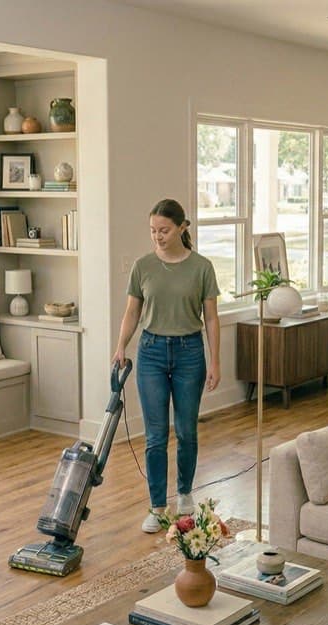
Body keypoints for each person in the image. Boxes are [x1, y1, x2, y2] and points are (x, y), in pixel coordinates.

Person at [113, 199, 221, 533]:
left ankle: (185, 494)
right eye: (153, 231)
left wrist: (215, 360)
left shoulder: (201, 267)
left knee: (187, 430)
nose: (158, 237)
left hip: (190, 352)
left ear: (182, 228)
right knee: (156, 435)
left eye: (164, 230)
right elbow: (132, 312)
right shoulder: (143, 266)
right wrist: (121, 346)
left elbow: (212, 319)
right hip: (151, 353)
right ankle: (158, 507)